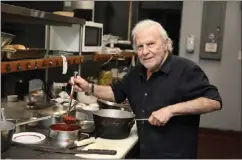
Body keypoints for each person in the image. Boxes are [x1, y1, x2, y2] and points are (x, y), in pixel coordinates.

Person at [69, 19, 222, 159]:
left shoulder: (186, 69)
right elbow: (117, 93)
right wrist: (89, 87)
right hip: (142, 152)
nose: (145, 51)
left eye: (151, 44)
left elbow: (213, 101)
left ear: (166, 44)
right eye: (140, 46)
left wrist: (170, 110)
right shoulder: (137, 71)